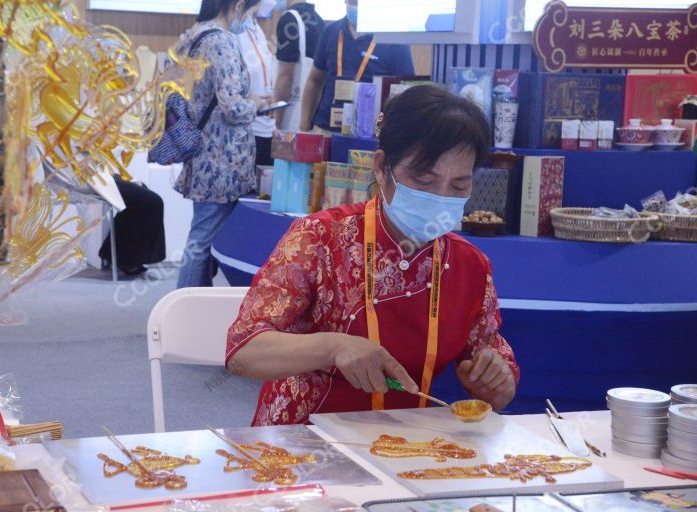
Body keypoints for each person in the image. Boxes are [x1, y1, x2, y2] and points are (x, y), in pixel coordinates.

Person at [226, 85, 519, 426]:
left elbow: (498, 385)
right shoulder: (320, 239)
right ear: (382, 167)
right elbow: (243, 351)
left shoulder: (469, 265)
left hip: (410, 447)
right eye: (423, 180)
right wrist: (334, 347)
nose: (440, 197)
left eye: (458, 186)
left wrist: (493, 380)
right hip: (304, 442)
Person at [175, 0, 266, 289]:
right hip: (221, 159)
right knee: (200, 243)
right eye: (251, 13)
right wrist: (258, 104)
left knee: (202, 237)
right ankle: (185, 310)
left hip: (201, 152)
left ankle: (194, 306)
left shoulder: (193, 35)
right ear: (238, 5)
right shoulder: (222, 42)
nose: (250, 21)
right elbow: (232, 107)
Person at [299, 0, 415, 134]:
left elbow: (407, 92)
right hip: (325, 129)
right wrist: (304, 125)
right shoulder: (330, 31)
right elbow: (314, 81)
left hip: (371, 134)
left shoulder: (393, 38)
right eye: (353, 2)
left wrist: (383, 132)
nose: (357, 5)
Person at [273, 0, 325, 131]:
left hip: (292, 113)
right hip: (314, 114)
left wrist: (276, 120)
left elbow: (286, 77)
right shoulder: (319, 20)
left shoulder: (289, 19)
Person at [99, 176, 166, 276]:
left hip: (100, 175)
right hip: (91, 178)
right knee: (152, 201)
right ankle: (125, 259)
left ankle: (120, 256)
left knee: (142, 193)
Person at [237, 7, 277, 166]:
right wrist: (249, 99)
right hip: (247, 127)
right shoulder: (235, 30)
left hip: (267, 125)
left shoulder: (257, 27)